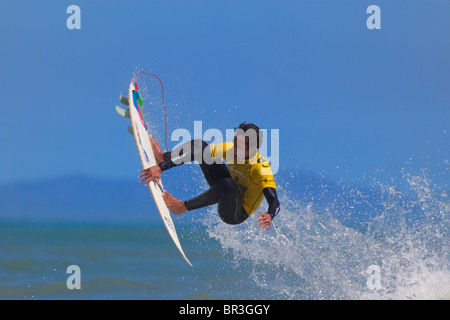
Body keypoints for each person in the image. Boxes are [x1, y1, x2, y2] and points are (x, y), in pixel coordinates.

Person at [138, 123, 280, 231]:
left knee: (229, 184)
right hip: (224, 188)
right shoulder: (229, 149)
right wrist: (162, 168)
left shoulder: (261, 168)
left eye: (240, 147)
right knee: (201, 146)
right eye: (235, 143)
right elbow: (197, 153)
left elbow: (274, 201)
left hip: (235, 213)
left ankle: (181, 207)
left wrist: (270, 215)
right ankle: (164, 158)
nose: (234, 149)